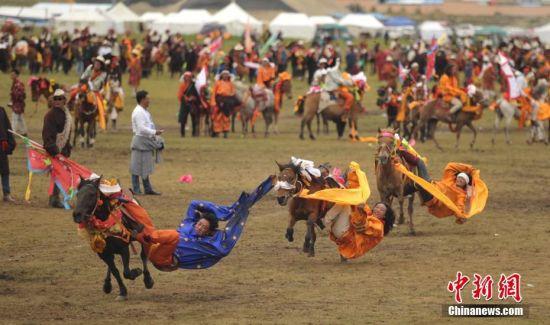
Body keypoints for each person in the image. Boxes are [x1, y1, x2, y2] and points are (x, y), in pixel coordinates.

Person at [137, 177, 273, 271]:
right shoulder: (189, 223)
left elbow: (225, 244)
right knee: (143, 222)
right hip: (155, 246)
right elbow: (193, 203)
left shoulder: (207, 244)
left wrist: (240, 211)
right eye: (199, 224)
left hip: (165, 259)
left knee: (172, 235)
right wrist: (226, 212)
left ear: (208, 232)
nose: (199, 227)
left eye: (203, 228)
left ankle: (146, 236)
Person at [42, 89, 72, 208]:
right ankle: (54, 199)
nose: (58, 101)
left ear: (64, 100)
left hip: (64, 151)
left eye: (60, 98)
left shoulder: (66, 115)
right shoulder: (49, 115)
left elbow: (67, 134)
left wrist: (68, 148)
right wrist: (54, 151)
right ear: (52, 100)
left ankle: (55, 197)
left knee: (60, 174)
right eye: (56, 98)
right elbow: (47, 136)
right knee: (57, 174)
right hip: (54, 151)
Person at [130, 90, 164, 195]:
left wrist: (154, 134)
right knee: (136, 166)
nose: (149, 100)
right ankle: (136, 189)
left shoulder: (145, 111)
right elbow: (141, 129)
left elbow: (148, 126)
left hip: (146, 140)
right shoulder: (138, 112)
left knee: (145, 165)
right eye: (147, 98)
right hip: (140, 140)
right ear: (142, 100)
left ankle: (147, 188)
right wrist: (155, 132)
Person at [211, 70, 239, 138]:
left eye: (227, 75)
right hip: (219, 99)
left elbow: (233, 92)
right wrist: (213, 102)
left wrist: (231, 95)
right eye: (224, 74)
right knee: (218, 117)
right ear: (221, 76)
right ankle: (217, 131)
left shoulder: (230, 84)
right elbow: (214, 93)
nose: (225, 76)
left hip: (228, 100)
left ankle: (225, 131)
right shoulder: (217, 83)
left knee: (226, 117)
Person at [0, 106, 16, 202]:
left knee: (4, 170)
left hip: (1, 145)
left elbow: (7, 127)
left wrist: (10, 141)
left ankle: (6, 193)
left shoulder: (1, 110)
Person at [177, 71, 199, 137]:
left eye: (189, 77)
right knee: (183, 119)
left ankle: (194, 133)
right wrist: (185, 98)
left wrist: (193, 98)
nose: (187, 78)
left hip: (192, 103)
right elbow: (180, 94)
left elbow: (197, 95)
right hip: (184, 103)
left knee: (194, 118)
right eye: (186, 77)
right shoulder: (182, 85)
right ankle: (182, 133)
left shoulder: (194, 85)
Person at [9, 69, 27, 136]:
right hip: (17, 105)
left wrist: (13, 95)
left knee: (14, 121)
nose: (11, 76)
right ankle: (25, 136)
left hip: (18, 105)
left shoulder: (18, 84)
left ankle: (11, 135)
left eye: (13, 74)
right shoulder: (15, 83)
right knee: (21, 121)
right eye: (11, 74)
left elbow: (21, 94)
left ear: (16, 75)